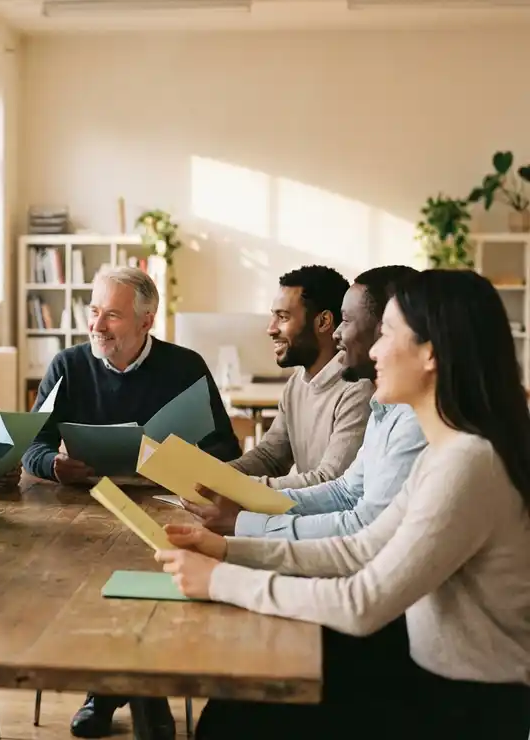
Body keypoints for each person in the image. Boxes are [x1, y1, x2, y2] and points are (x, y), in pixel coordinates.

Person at [157, 269, 530, 739]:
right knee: (238, 706)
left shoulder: (468, 462)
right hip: (433, 678)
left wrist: (220, 580)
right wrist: (228, 549)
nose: (373, 350)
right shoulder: (450, 451)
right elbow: (360, 549)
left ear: (431, 353)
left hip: (465, 707)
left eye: (386, 334)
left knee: (238, 718)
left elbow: (361, 601)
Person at [21, 267, 241, 739]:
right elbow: (32, 446)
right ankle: (110, 690)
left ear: (146, 321)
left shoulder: (185, 366)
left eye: (113, 316)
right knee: (84, 581)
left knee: (155, 572)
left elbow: (225, 449)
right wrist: (54, 465)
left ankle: (142, 691)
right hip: (86, 505)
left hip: (164, 503)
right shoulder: (67, 366)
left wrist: (183, 464)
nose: (97, 325)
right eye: (94, 311)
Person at [191, 266, 427, 540]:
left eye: (283, 317)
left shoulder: (375, 398)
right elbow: (342, 491)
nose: (270, 329)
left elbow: (361, 523)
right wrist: (225, 484)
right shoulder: (380, 405)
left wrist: (244, 515)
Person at [225, 265, 373, 490]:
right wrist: (216, 476)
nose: (271, 329)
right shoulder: (297, 382)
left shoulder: (357, 388)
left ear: (323, 322)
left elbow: (330, 482)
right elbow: (270, 457)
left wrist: (236, 487)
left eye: (283, 317)